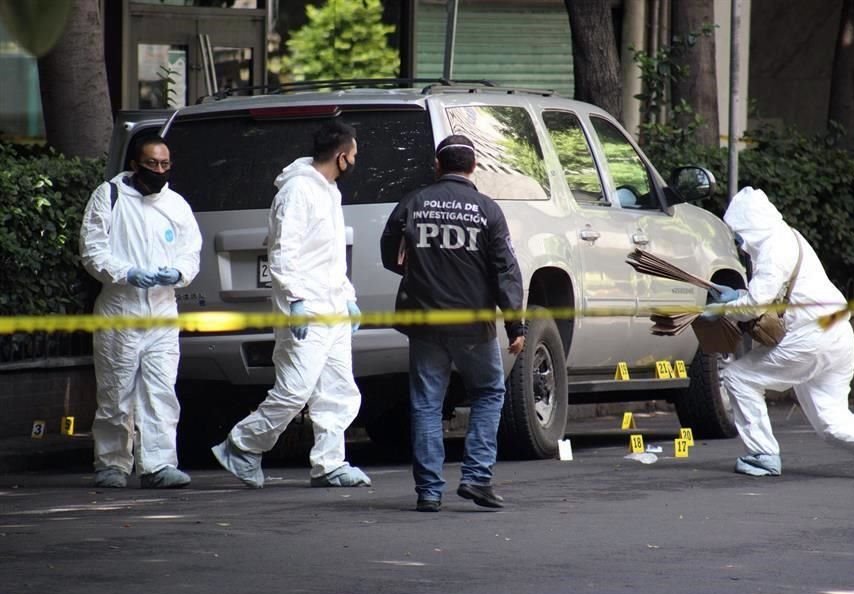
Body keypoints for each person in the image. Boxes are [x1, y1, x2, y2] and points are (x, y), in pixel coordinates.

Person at [211, 120, 369, 489]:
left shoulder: (328, 191)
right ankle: (242, 445)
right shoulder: (297, 191)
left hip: (331, 307)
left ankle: (330, 463)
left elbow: (329, 255)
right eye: (355, 155)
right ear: (342, 156)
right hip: (307, 310)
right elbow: (283, 251)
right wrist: (296, 301)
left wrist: (348, 297)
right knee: (295, 390)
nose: (356, 161)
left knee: (338, 389)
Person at [380, 134, 525, 512]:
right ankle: (476, 478)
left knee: (426, 404)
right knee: (489, 393)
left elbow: (388, 251)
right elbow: (506, 271)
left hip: (424, 321)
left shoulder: (414, 202)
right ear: (473, 167)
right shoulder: (487, 209)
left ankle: (429, 492)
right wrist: (516, 326)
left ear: (437, 166)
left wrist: (413, 269)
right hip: (473, 325)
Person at [705, 186, 854, 477]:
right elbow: (769, 295)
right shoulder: (786, 237)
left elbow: (756, 304)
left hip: (811, 338)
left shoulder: (772, 250)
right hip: (836, 335)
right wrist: (739, 297)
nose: (740, 243)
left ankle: (762, 454)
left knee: (738, 377)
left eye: (739, 233)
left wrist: (724, 308)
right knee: (834, 424)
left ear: (750, 226)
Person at [80, 135, 201, 489]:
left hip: (162, 312)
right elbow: (93, 250)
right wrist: (126, 273)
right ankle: (112, 463)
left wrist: (178, 273)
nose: (160, 171)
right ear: (135, 164)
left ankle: (159, 464)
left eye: (165, 164)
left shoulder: (176, 205)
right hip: (121, 310)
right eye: (152, 164)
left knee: (161, 391)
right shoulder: (110, 197)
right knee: (116, 392)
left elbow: (190, 251)